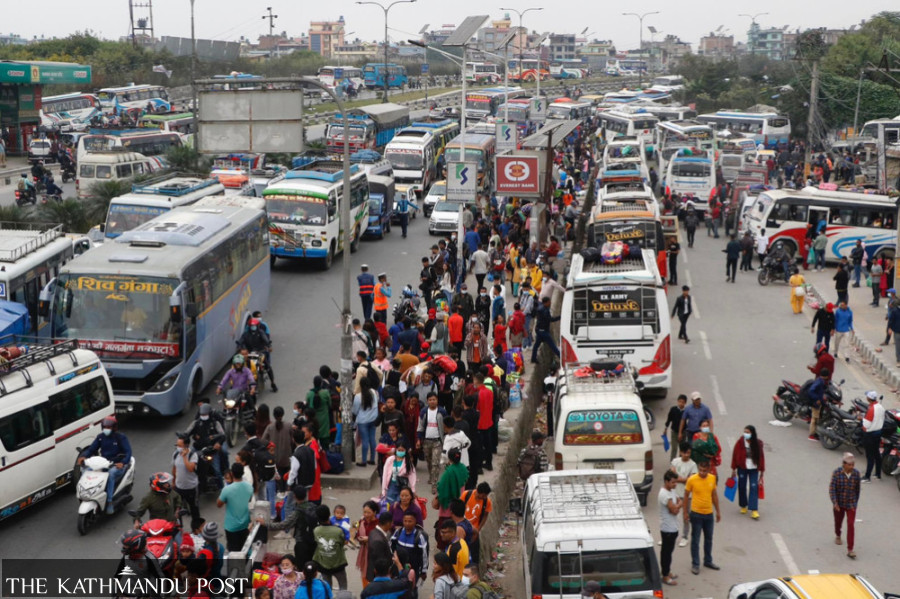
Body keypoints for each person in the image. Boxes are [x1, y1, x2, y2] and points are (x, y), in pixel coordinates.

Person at [78, 416, 132, 514]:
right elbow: (91, 449)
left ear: (114, 428)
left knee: (110, 475)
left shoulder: (120, 437)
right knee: (86, 471)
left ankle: (109, 501)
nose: (106, 429)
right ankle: (86, 493)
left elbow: (128, 452)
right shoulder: (100, 437)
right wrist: (84, 456)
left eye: (109, 427)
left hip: (116, 465)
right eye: (105, 427)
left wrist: (122, 462)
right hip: (103, 464)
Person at [683, 460, 721, 574]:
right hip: (696, 514)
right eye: (700, 470)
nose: (702, 472)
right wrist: (685, 512)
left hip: (709, 514)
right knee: (695, 540)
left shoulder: (712, 479)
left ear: (709, 470)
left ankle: (708, 560)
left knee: (709, 539)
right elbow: (685, 496)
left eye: (704, 470)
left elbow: (714, 495)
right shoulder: (692, 479)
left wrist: (718, 511)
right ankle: (695, 564)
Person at [829, 452, 861, 559]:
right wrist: (835, 503)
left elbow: (857, 490)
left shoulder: (856, 474)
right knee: (838, 521)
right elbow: (832, 489)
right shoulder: (837, 473)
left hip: (851, 504)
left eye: (853, 464)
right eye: (849, 464)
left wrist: (855, 503)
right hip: (839, 504)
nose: (851, 467)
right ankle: (838, 534)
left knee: (851, 525)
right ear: (844, 464)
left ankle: (850, 549)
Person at [730, 425, 765, 519]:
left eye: (748, 432)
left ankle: (754, 509)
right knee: (742, 486)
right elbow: (735, 455)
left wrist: (762, 470)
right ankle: (743, 505)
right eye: (745, 432)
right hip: (742, 468)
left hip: (754, 468)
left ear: (752, 433)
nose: (746, 434)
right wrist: (733, 469)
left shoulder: (757, 444)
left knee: (754, 487)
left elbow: (761, 457)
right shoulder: (740, 443)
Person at [217, 463, 253, 551]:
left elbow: (219, 504)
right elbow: (249, 500)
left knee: (234, 552)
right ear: (243, 473)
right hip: (245, 524)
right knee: (245, 549)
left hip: (231, 526)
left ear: (232, 473)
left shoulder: (227, 489)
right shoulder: (249, 487)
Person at [312, 504, 349, 590]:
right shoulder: (338, 530)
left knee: (327, 588)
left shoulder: (316, 531)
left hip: (324, 564)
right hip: (338, 563)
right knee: (343, 587)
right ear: (329, 515)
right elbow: (344, 542)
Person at [670, 441, 698, 548]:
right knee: (672, 514)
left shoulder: (693, 465)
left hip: (687, 495)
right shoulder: (675, 461)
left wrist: (678, 478)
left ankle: (685, 537)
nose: (687, 455)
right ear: (681, 452)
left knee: (686, 516)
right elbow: (671, 475)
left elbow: (690, 480)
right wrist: (683, 479)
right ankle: (671, 535)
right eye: (685, 453)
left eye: (689, 453)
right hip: (675, 493)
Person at [239, 319, 277, 392]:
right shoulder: (246, 334)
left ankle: (273, 383)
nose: (253, 327)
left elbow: (266, 340)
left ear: (257, 326)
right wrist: (241, 347)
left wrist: (269, 346)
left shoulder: (261, 333)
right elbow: (241, 342)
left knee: (267, 366)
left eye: (254, 326)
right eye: (251, 326)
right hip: (249, 353)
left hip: (260, 352)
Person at [659, 471, 683, 586]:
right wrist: (677, 507)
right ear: (666, 481)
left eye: (676, 482)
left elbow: (679, 502)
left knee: (669, 551)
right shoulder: (664, 494)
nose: (675, 485)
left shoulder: (671, 491)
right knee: (666, 553)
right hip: (667, 529)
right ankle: (665, 575)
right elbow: (673, 511)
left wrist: (676, 506)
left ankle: (667, 571)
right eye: (673, 482)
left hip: (673, 527)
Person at [172, 433, 201, 520]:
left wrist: (184, 457)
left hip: (191, 488)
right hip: (179, 487)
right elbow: (174, 468)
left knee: (194, 510)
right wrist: (173, 482)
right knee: (177, 510)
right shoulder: (175, 454)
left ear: (186, 445)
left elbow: (190, 469)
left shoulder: (193, 455)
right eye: (177, 445)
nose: (178, 447)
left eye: (180, 445)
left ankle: (196, 528)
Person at [353, 377, 380, 467]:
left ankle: (363, 461)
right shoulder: (374, 392)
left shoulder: (358, 396)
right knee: (372, 439)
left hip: (362, 420)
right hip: (373, 419)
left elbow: (355, 411)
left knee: (365, 440)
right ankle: (372, 459)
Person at [861, 390, 885, 482]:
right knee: (876, 454)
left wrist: (861, 419)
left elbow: (866, 425)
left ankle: (867, 477)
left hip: (870, 434)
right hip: (878, 433)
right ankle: (878, 474)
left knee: (870, 456)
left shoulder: (871, 409)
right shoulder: (881, 407)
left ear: (868, 398)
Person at [366, 512, 394, 585]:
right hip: (378, 577)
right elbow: (379, 562)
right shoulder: (378, 541)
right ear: (388, 523)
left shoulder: (373, 532)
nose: (392, 525)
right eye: (391, 523)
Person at [532, 296, 560, 363]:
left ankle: (533, 358)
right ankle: (560, 357)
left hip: (539, 330)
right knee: (553, 346)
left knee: (536, 346)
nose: (550, 303)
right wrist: (559, 317)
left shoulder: (540, 308)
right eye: (549, 302)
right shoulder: (545, 310)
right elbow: (550, 319)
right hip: (544, 332)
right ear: (546, 302)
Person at [663, 395, 687, 459]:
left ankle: (681, 462)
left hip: (683, 432)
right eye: (679, 401)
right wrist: (665, 429)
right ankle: (672, 464)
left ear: (685, 403)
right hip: (674, 432)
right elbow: (669, 419)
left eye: (683, 402)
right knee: (674, 448)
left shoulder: (686, 411)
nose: (681, 403)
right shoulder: (673, 409)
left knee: (682, 448)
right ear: (677, 401)